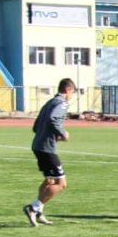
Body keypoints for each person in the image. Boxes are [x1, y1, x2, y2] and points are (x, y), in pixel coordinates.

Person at [22, 78, 75, 226]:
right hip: (47, 148)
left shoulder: (49, 102)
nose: (71, 96)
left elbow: (36, 125)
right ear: (68, 90)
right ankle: (33, 208)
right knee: (61, 183)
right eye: (72, 93)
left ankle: (38, 212)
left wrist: (46, 134)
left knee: (49, 180)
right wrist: (62, 133)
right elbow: (53, 119)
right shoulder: (62, 103)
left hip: (38, 145)